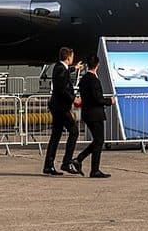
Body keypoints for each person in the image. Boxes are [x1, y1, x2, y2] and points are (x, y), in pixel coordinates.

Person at [42, 47, 81, 175]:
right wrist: (73, 99)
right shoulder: (60, 69)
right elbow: (62, 89)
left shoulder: (60, 67)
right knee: (74, 131)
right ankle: (66, 162)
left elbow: (66, 72)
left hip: (58, 107)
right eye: (72, 57)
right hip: (61, 108)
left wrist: (76, 68)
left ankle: (49, 165)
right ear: (68, 57)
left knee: (56, 136)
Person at [73, 56, 112, 178]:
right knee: (99, 140)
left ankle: (79, 159)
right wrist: (109, 101)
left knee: (97, 140)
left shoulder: (84, 79)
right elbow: (97, 98)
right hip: (95, 114)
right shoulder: (93, 80)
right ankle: (93, 169)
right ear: (97, 65)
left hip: (87, 112)